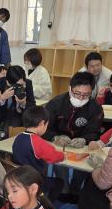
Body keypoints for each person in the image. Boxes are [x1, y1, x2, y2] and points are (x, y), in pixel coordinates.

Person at [44, 72, 103, 202]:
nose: (81, 98)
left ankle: (75, 191)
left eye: (86, 95)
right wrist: (55, 138)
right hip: (59, 146)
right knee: (59, 163)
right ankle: (64, 189)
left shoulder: (95, 108)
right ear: (70, 88)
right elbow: (44, 128)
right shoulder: (56, 103)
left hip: (82, 147)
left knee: (83, 166)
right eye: (77, 93)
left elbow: (94, 131)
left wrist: (85, 139)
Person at [12, 106, 64, 203]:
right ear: (42, 123)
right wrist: (64, 155)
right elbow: (54, 157)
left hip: (19, 179)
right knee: (59, 182)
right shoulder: (37, 142)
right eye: (47, 125)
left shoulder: (18, 137)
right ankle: (46, 206)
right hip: (33, 181)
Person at [0, 65, 36, 133]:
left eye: (22, 84)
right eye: (17, 85)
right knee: (6, 130)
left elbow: (33, 106)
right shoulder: (0, 83)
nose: (20, 87)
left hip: (19, 115)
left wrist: (23, 103)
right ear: (8, 82)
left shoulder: (28, 83)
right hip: (3, 115)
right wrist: (2, 98)